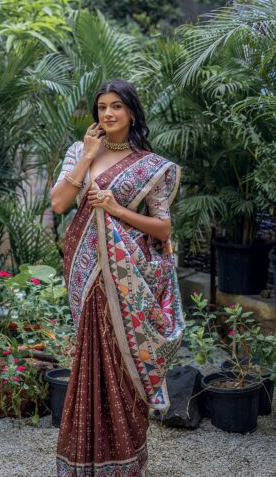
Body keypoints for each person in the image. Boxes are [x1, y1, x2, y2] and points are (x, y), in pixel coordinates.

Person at [50, 78, 186, 477]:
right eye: (102, 107)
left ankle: (124, 458)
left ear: (131, 112)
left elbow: (162, 229)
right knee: (90, 356)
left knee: (121, 360)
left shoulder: (151, 165)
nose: (107, 114)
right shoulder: (80, 150)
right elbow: (59, 203)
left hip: (128, 278)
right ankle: (83, 459)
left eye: (116, 107)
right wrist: (88, 155)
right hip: (84, 269)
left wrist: (114, 208)